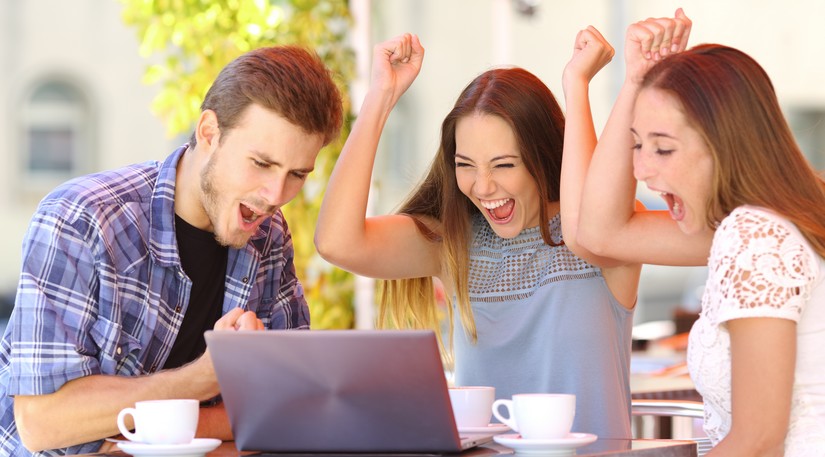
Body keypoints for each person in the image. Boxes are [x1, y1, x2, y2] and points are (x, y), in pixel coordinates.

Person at [0, 45, 343, 456]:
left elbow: (289, 410)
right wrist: (203, 380)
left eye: (297, 174)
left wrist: (135, 433)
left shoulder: (268, 237)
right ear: (209, 133)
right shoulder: (81, 220)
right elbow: (42, 423)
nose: (275, 195)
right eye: (261, 163)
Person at [315, 27, 648, 439]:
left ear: (544, 158)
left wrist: (576, 85)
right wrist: (380, 97)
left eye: (504, 164)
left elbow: (592, 222)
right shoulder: (455, 242)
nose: (483, 186)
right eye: (465, 164)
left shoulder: (605, 235)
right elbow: (336, 242)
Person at [577, 9, 825, 455]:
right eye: (637, 144)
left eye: (663, 148)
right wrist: (635, 80)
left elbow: (758, 441)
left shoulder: (755, 235)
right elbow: (600, 233)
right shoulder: (771, 220)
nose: (640, 170)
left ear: (723, 145)